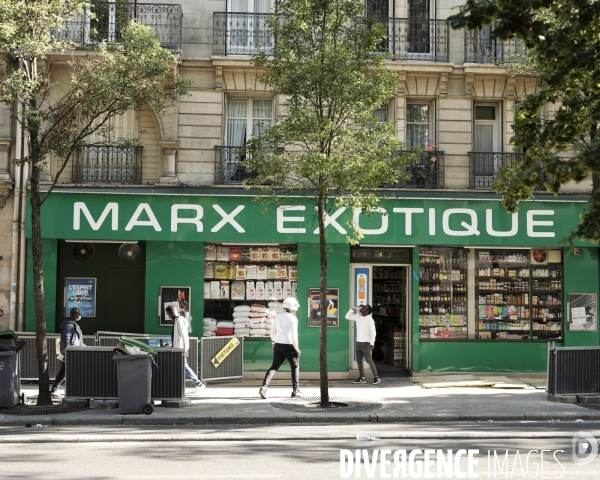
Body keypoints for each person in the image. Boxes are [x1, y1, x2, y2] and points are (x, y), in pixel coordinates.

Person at [259, 297, 303, 399]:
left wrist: (273, 342)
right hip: (289, 345)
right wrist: (296, 348)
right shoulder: (293, 319)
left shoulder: (278, 316)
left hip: (278, 344)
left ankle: (264, 387)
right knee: (295, 367)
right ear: (293, 307)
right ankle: (295, 391)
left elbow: (272, 331)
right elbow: (294, 336)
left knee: (274, 367)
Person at [165, 305, 205, 393]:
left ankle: (199, 384)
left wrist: (185, 349)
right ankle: (197, 384)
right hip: (177, 349)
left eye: (168, 314)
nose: (168, 316)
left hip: (179, 349)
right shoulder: (177, 320)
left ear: (172, 312)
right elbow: (176, 335)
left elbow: (184, 335)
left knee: (184, 367)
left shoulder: (179, 321)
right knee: (182, 367)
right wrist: (169, 343)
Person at [50, 307, 84, 395]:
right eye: (79, 315)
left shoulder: (74, 325)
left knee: (65, 371)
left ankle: (55, 389)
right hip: (71, 352)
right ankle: (65, 389)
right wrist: (66, 353)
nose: (80, 316)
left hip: (75, 351)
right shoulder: (69, 325)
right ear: (75, 315)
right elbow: (66, 338)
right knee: (68, 371)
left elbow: (78, 339)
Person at [345, 305, 381, 385]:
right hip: (358, 342)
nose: (362, 308)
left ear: (367, 311)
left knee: (369, 360)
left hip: (366, 343)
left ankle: (376, 377)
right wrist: (352, 309)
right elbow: (347, 317)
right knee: (359, 361)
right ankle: (362, 377)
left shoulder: (369, 319)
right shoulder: (358, 316)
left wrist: (372, 343)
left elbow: (373, 332)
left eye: (364, 307)